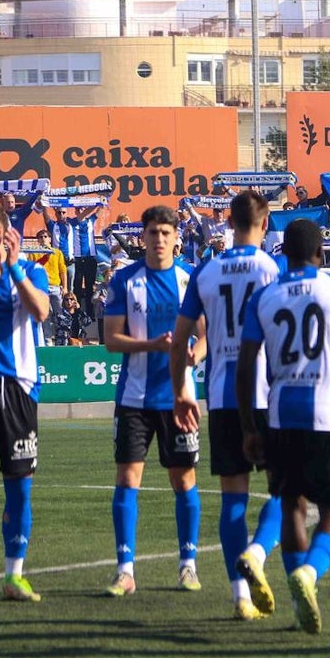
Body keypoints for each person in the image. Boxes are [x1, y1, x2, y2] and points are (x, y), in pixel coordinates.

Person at [236, 218, 330, 635]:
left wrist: (250, 426)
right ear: (321, 255)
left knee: (292, 506)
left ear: (283, 253)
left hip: (281, 415)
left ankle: (298, 598)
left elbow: (246, 367)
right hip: (328, 415)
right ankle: (310, 575)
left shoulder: (265, 296)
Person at [171, 192, 283, 621]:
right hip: (267, 394)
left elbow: (181, 340)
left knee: (232, 500)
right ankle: (257, 553)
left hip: (222, 397)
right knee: (284, 489)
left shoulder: (206, 272)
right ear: (265, 221)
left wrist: (182, 390)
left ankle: (240, 597)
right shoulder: (273, 269)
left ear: (229, 222)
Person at [102, 205, 203, 597]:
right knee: (127, 479)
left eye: (165, 232)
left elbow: (205, 334)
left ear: (176, 237)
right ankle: (125, 570)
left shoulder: (189, 280)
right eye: (152, 232)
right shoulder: (125, 281)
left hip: (180, 398)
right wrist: (154, 345)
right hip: (134, 398)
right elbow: (112, 339)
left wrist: (197, 353)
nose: (159, 239)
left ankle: (187, 565)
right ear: (142, 236)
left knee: (184, 479)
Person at [0, 200, 51, 601]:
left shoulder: (32, 270)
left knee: (18, 488)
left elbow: (40, 311)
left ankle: (14, 575)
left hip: (19, 389)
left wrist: (12, 269)